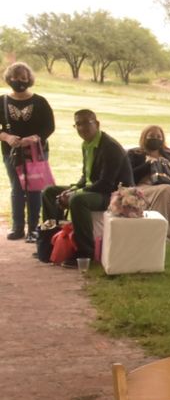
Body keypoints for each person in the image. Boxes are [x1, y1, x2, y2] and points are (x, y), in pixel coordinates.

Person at [41, 110, 133, 267]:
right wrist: (72, 189)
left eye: (86, 123)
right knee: (49, 192)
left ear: (96, 124)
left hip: (115, 195)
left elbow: (106, 183)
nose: (82, 128)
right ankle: (50, 242)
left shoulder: (110, 147)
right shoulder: (87, 144)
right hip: (97, 189)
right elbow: (86, 177)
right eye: (78, 124)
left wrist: (75, 193)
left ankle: (86, 252)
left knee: (77, 200)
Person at [1, 62, 55, 242]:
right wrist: (7, 137)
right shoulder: (2, 101)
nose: (19, 81)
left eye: (23, 78)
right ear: (9, 79)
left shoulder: (40, 101)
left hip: (36, 152)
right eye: (15, 78)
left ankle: (33, 229)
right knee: (17, 189)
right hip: (12, 152)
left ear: (29, 79)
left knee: (34, 189)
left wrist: (35, 138)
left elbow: (49, 127)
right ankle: (17, 228)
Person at [126, 125, 170, 230]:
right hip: (144, 187)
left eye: (159, 137)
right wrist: (149, 165)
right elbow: (130, 176)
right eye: (152, 136)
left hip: (169, 185)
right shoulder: (134, 153)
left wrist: (165, 167)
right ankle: (161, 231)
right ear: (144, 137)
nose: (155, 139)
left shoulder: (169, 154)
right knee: (164, 191)